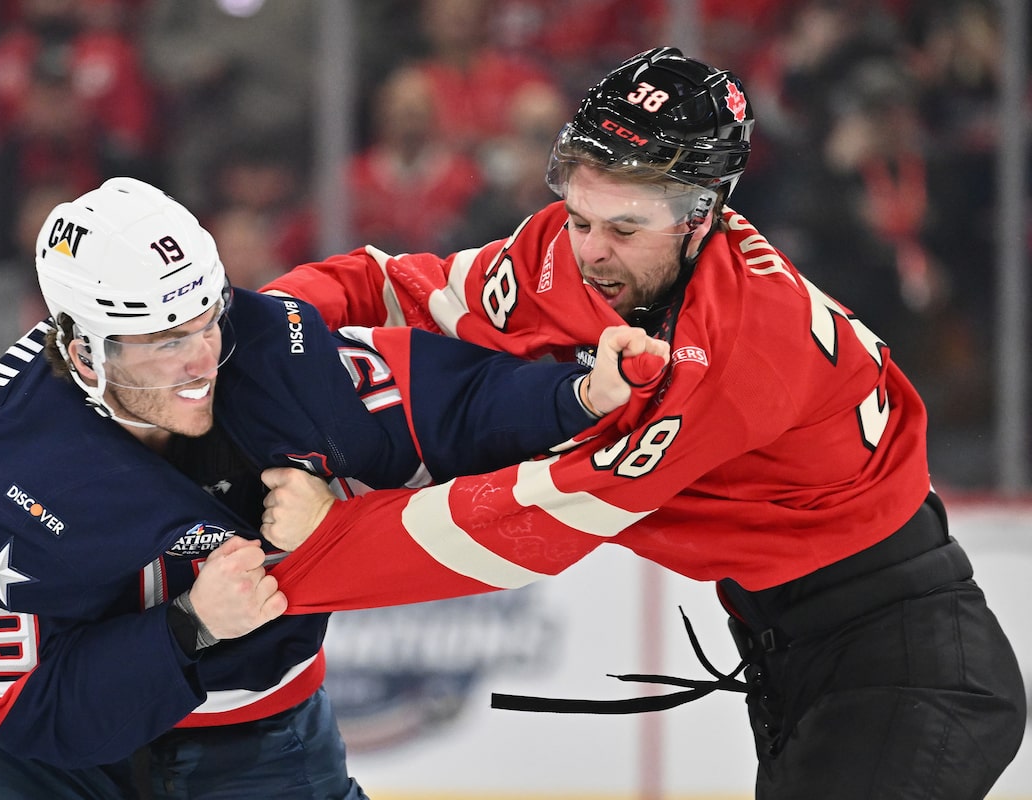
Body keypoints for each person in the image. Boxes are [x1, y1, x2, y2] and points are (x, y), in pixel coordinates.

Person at [258, 47, 1025, 799]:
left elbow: (534, 519)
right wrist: (246, 329)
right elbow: (402, 287)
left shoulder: (738, 348)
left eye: (623, 230)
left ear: (702, 217)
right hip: (791, 645)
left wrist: (323, 544)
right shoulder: (568, 248)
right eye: (579, 216)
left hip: (905, 660)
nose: (590, 251)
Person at [0, 176, 663, 799]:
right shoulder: (10, 464)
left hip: (259, 746)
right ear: (83, 352)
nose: (201, 360)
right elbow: (16, 703)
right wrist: (188, 627)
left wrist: (579, 396)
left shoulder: (269, 348)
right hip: (42, 762)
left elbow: (444, 407)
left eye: (205, 322)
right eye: (165, 341)